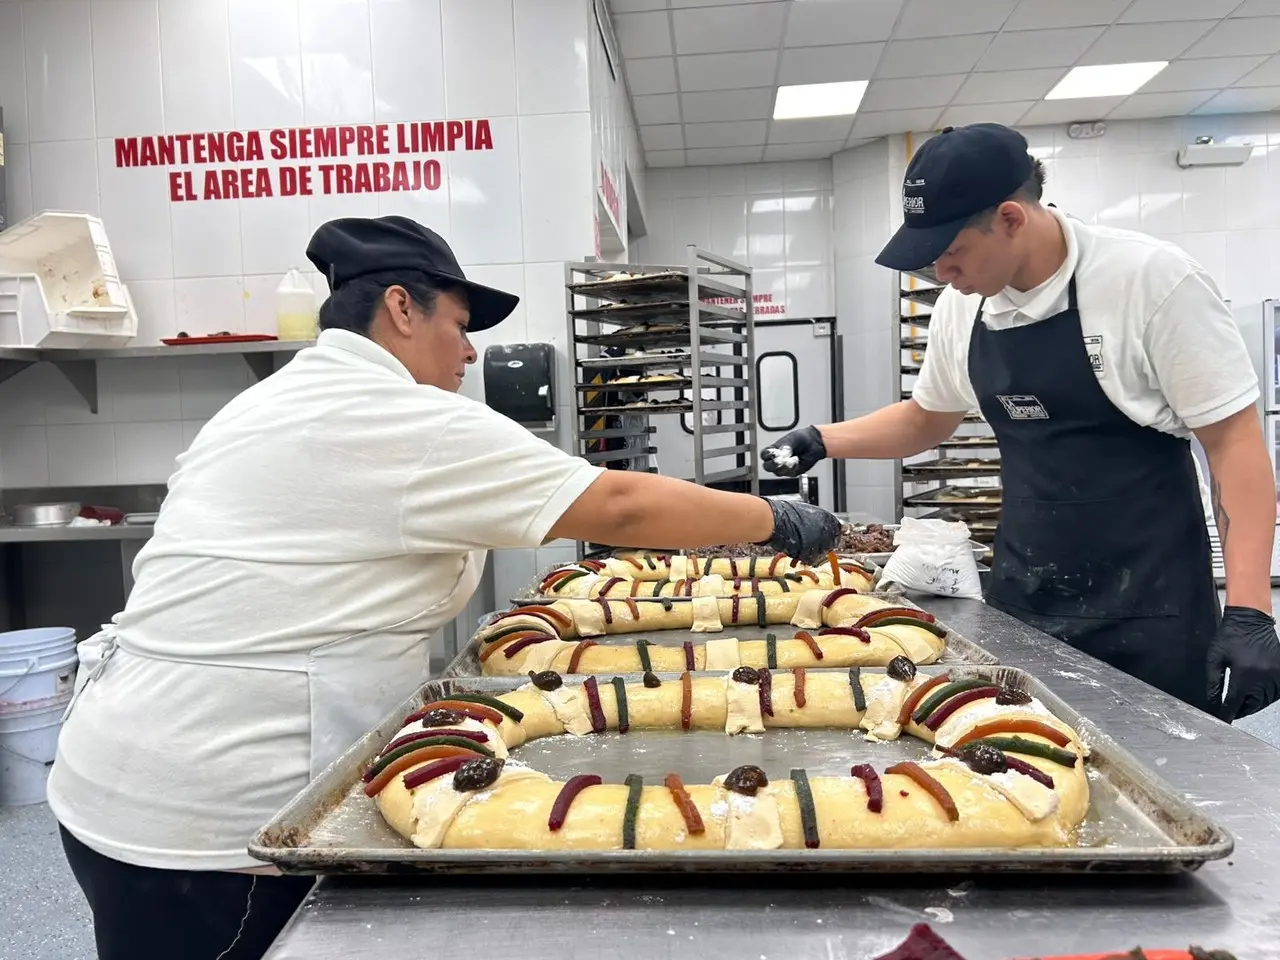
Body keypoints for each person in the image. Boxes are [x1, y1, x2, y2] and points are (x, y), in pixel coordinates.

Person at [48, 215, 843, 960]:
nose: (468, 355)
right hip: (216, 816)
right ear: (400, 307)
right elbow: (620, 502)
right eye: (459, 327)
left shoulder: (267, 402)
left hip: (116, 772)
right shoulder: (398, 416)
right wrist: (773, 518)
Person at [763, 122, 1280, 724]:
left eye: (952, 253)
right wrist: (820, 439)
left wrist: (1249, 608)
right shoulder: (963, 308)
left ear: (1011, 218)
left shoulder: (1151, 282)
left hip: (1152, 609)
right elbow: (926, 418)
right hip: (1024, 597)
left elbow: (1235, 447)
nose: (942, 274)